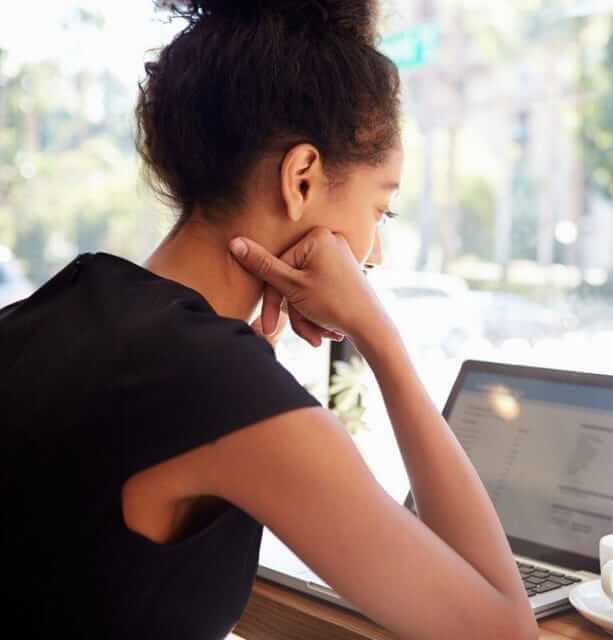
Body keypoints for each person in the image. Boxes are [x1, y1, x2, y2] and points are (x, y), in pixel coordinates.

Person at [0, 1, 539, 639]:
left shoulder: (53, 311)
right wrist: (380, 341)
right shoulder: (216, 382)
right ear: (302, 178)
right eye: (380, 210)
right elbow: (505, 630)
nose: (377, 253)